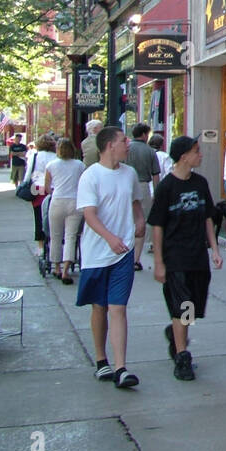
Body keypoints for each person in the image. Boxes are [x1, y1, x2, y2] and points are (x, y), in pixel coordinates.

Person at [76, 126, 145, 389]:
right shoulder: (90, 176)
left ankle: (121, 367)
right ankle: (100, 359)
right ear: (108, 146)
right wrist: (109, 237)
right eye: (123, 140)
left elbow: (135, 202)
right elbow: (89, 214)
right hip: (96, 254)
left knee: (118, 308)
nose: (128, 144)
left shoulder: (129, 174)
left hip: (123, 253)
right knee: (99, 307)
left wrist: (139, 221)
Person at [148, 135, 222, 382]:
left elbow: (207, 218)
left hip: (197, 257)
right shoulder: (166, 187)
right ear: (183, 156)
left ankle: (176, 332)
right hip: (175, 257)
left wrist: (215, 249)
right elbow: (157, 226)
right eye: (196, 151)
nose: (200, 155)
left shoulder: (200, 183)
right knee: (182, 306)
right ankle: (182, 355)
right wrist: (159, 262)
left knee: (191, 308)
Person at [44, 137, 85, 284]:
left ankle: (56, 267)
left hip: (58, 200)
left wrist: (53, 192)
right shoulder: (79, 165)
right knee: (71, 237)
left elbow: (47, 187)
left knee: (55, 236)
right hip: (74, 201)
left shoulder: (51, 165)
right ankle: (67, 269)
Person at [125, 122, 160, 269]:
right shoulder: (150, 151)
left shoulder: (126, 149)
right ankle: (136, 259)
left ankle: (124, 254)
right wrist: (157, 193)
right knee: (141, 221)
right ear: (145, 135)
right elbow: (155, 175)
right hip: (142, 186)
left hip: (125, 185)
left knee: (126, 220)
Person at [27, 134, 58, 244]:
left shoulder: (34, 156)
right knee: (52, 214)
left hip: (37, 188)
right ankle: (53, 241)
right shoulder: (56, 157)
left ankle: (40, 245)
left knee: (38, 215)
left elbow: (28, 173)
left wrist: (26, 183)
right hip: (53, 187)